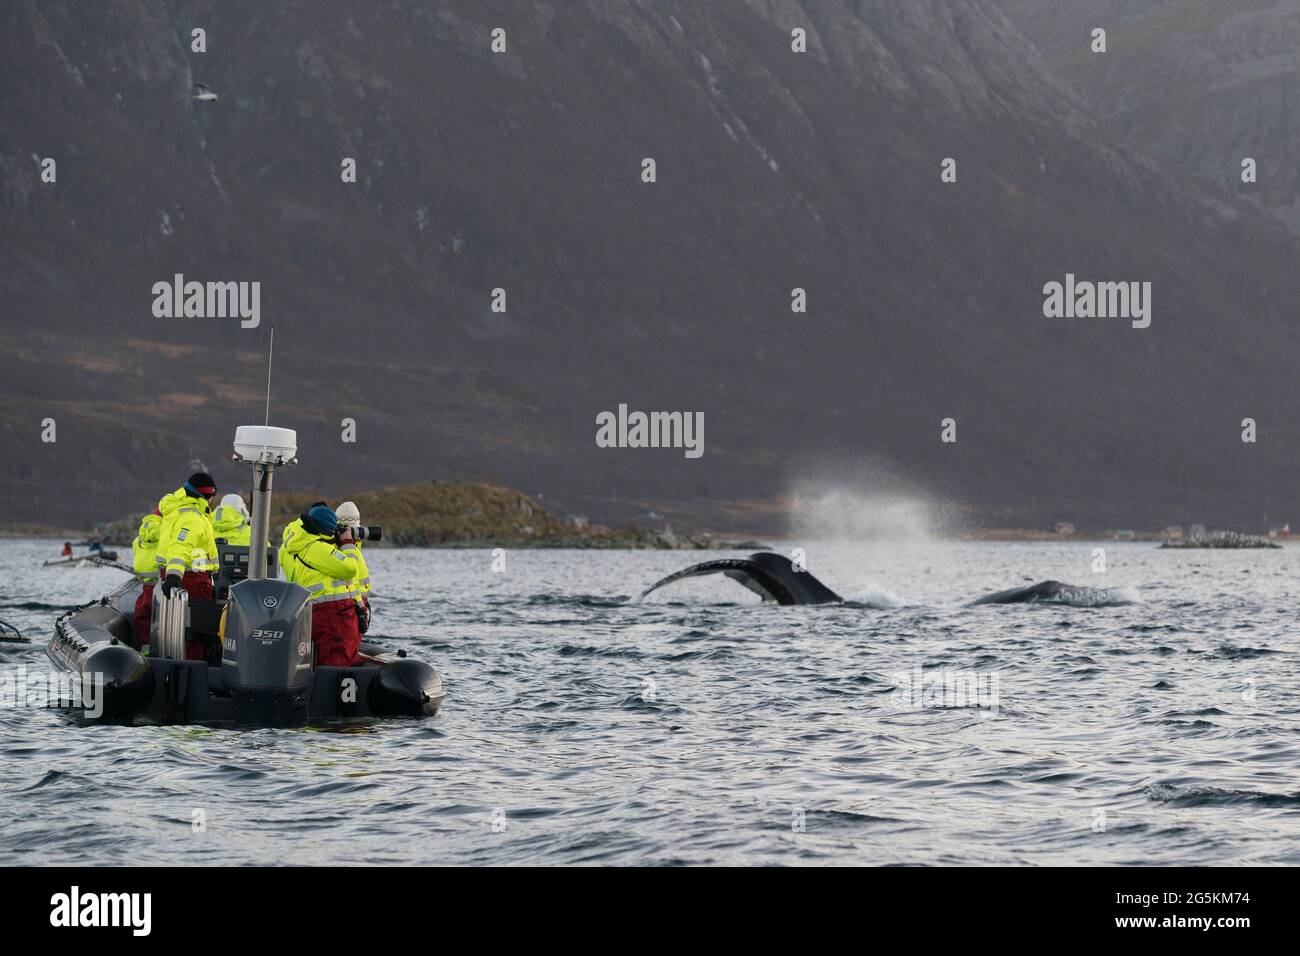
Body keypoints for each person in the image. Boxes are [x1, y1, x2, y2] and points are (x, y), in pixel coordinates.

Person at [281, 505, 362, 666]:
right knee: (337, 660)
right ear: (325, 531)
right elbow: (350, 569)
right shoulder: (316, 548)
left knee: (323, 658)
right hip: (331, 616)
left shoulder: (297, 545)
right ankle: (332, 691)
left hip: (314, 612)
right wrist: (347, 543)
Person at [155, 472, 219, 660]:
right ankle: (195, 671)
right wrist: (174, 576)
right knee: (196, 633)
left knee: (183, 631)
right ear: (209, 495)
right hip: (192, 580)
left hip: (184, 578)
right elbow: (180, 546)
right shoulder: (192, 517)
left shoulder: (177, 508)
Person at [335, 501, 372, 636]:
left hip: (359, 603)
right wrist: (360, 605)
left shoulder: (354, 544)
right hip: (349, 605)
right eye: (348, 529)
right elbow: (349, 577)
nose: (352, 534)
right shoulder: (339, 547)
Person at [129, 509, 163, 648]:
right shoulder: (169, 534)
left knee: (142, 617)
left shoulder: (139, 539)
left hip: (147, 586)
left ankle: (146, 648)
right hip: (164, 585)